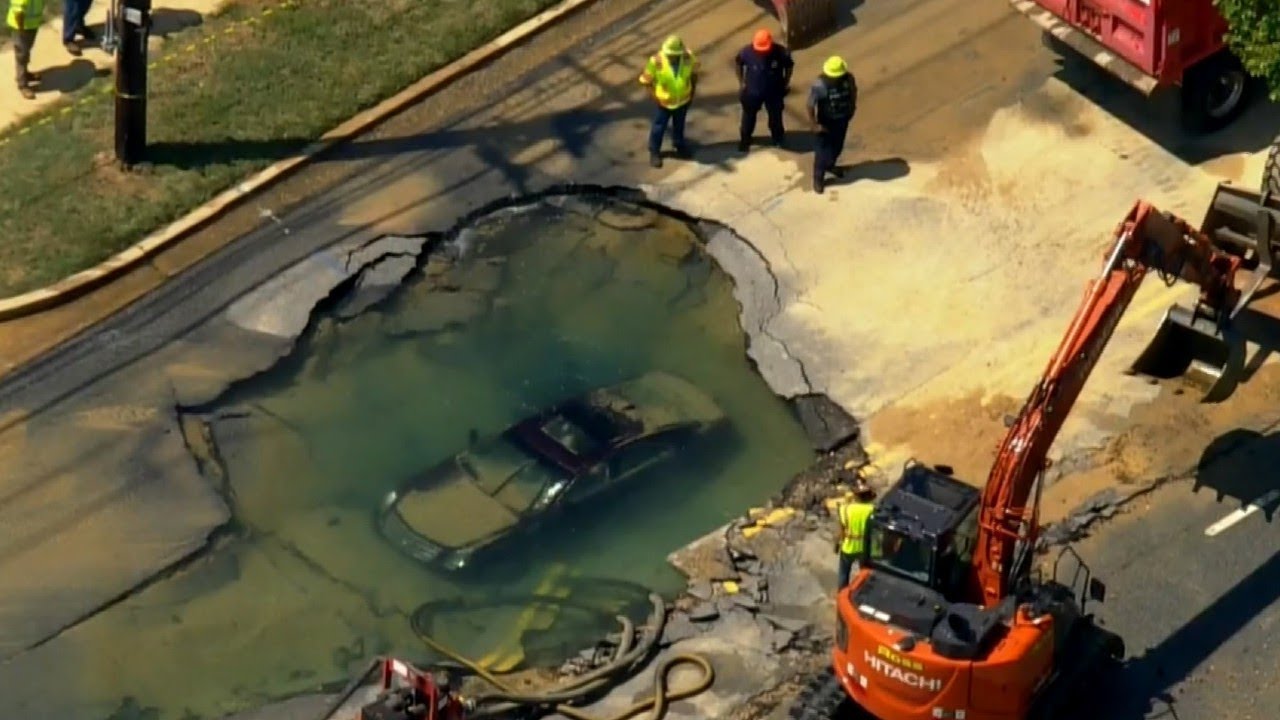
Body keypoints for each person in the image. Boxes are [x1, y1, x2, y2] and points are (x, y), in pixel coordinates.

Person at [638, 34, 698, 169]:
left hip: (683, 101)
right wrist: (655, 98)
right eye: (670, 55)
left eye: (675, 55)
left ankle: (679, 145)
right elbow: (646, 81)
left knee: (680, 125)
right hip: (664, 104)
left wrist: (692, 92)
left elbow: (694, 74)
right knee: (659, 128)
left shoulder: (688, 57)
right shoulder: (656, 61)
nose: (672, 57)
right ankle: (654, 151)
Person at [735, 27, 793, 152]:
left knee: (776, 117)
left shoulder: (780, 52)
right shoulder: (747, 52)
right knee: (748, 117)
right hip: (752, 92)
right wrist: (742, 83)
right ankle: (745, 139)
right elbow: (738, 63)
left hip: (774, 92)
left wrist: (786, 82)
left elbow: (789, 65)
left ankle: (778, 138)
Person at [806, 55, 857, 194]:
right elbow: (810, 104)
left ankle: (831, 166)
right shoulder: (820, 85)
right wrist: (814, 124)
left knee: (837, 147)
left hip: (842, 120)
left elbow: (853, 92)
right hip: (826, 123)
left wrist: (852, 108)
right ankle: (818, 179)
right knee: (822, 153)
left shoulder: (848, 79)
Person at [835, 480, 877, 589]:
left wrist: (836, 544)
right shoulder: (873, 510)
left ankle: (842, 595)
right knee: (864, 575)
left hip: (848, 546)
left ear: (856, 496)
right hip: (865, 548)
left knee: (843, 575)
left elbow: (841, 529)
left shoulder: (845, 509)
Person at [7, 0, 44, 99]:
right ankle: (22, 84)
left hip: (31, 25)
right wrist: (21, 29)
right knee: (21, 54)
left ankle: (25, 74)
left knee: (26, 50)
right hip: (21, 26)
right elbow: (18, 12)